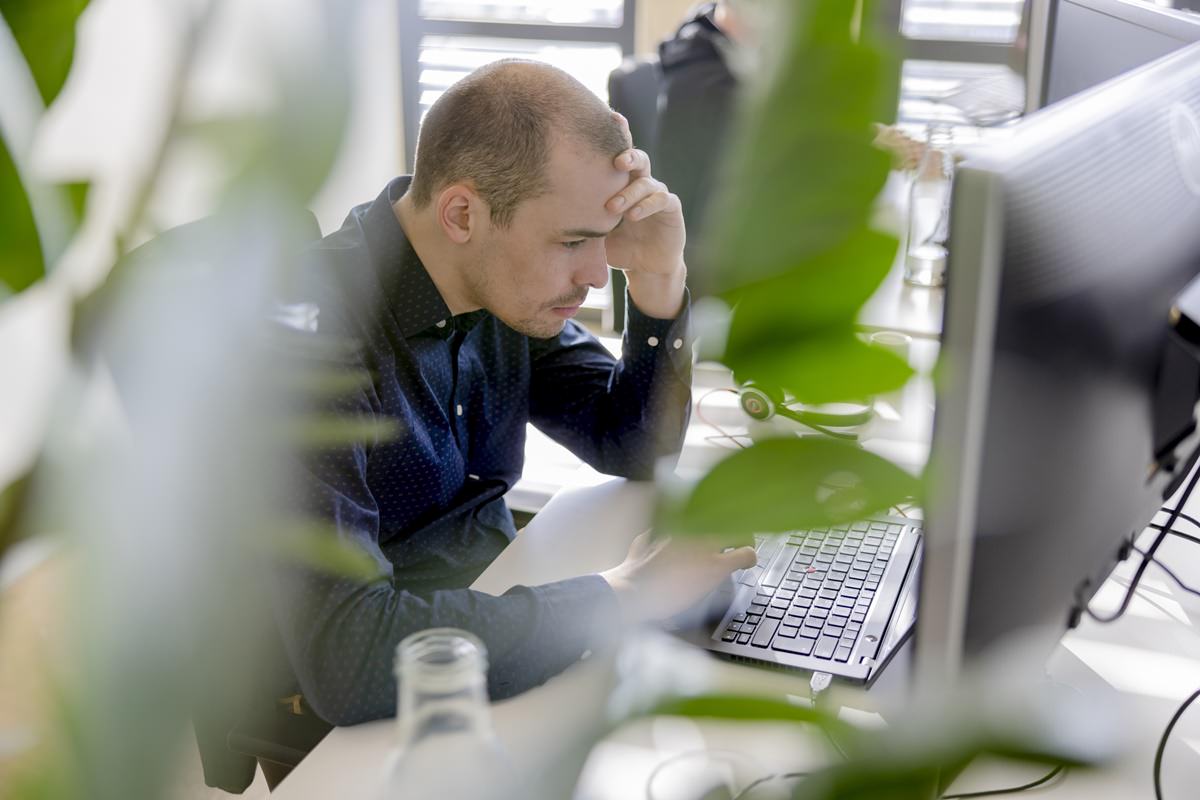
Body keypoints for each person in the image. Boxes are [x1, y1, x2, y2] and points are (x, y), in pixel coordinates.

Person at [271, 59, 757, 729]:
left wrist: (658, 275)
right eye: (572, 241)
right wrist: (616, 598)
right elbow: (347, 655)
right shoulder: (309, 343)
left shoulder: (496, 281)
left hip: (502, 600)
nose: (595, 272)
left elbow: (630, 442)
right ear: (463, 213)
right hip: (388, 698)